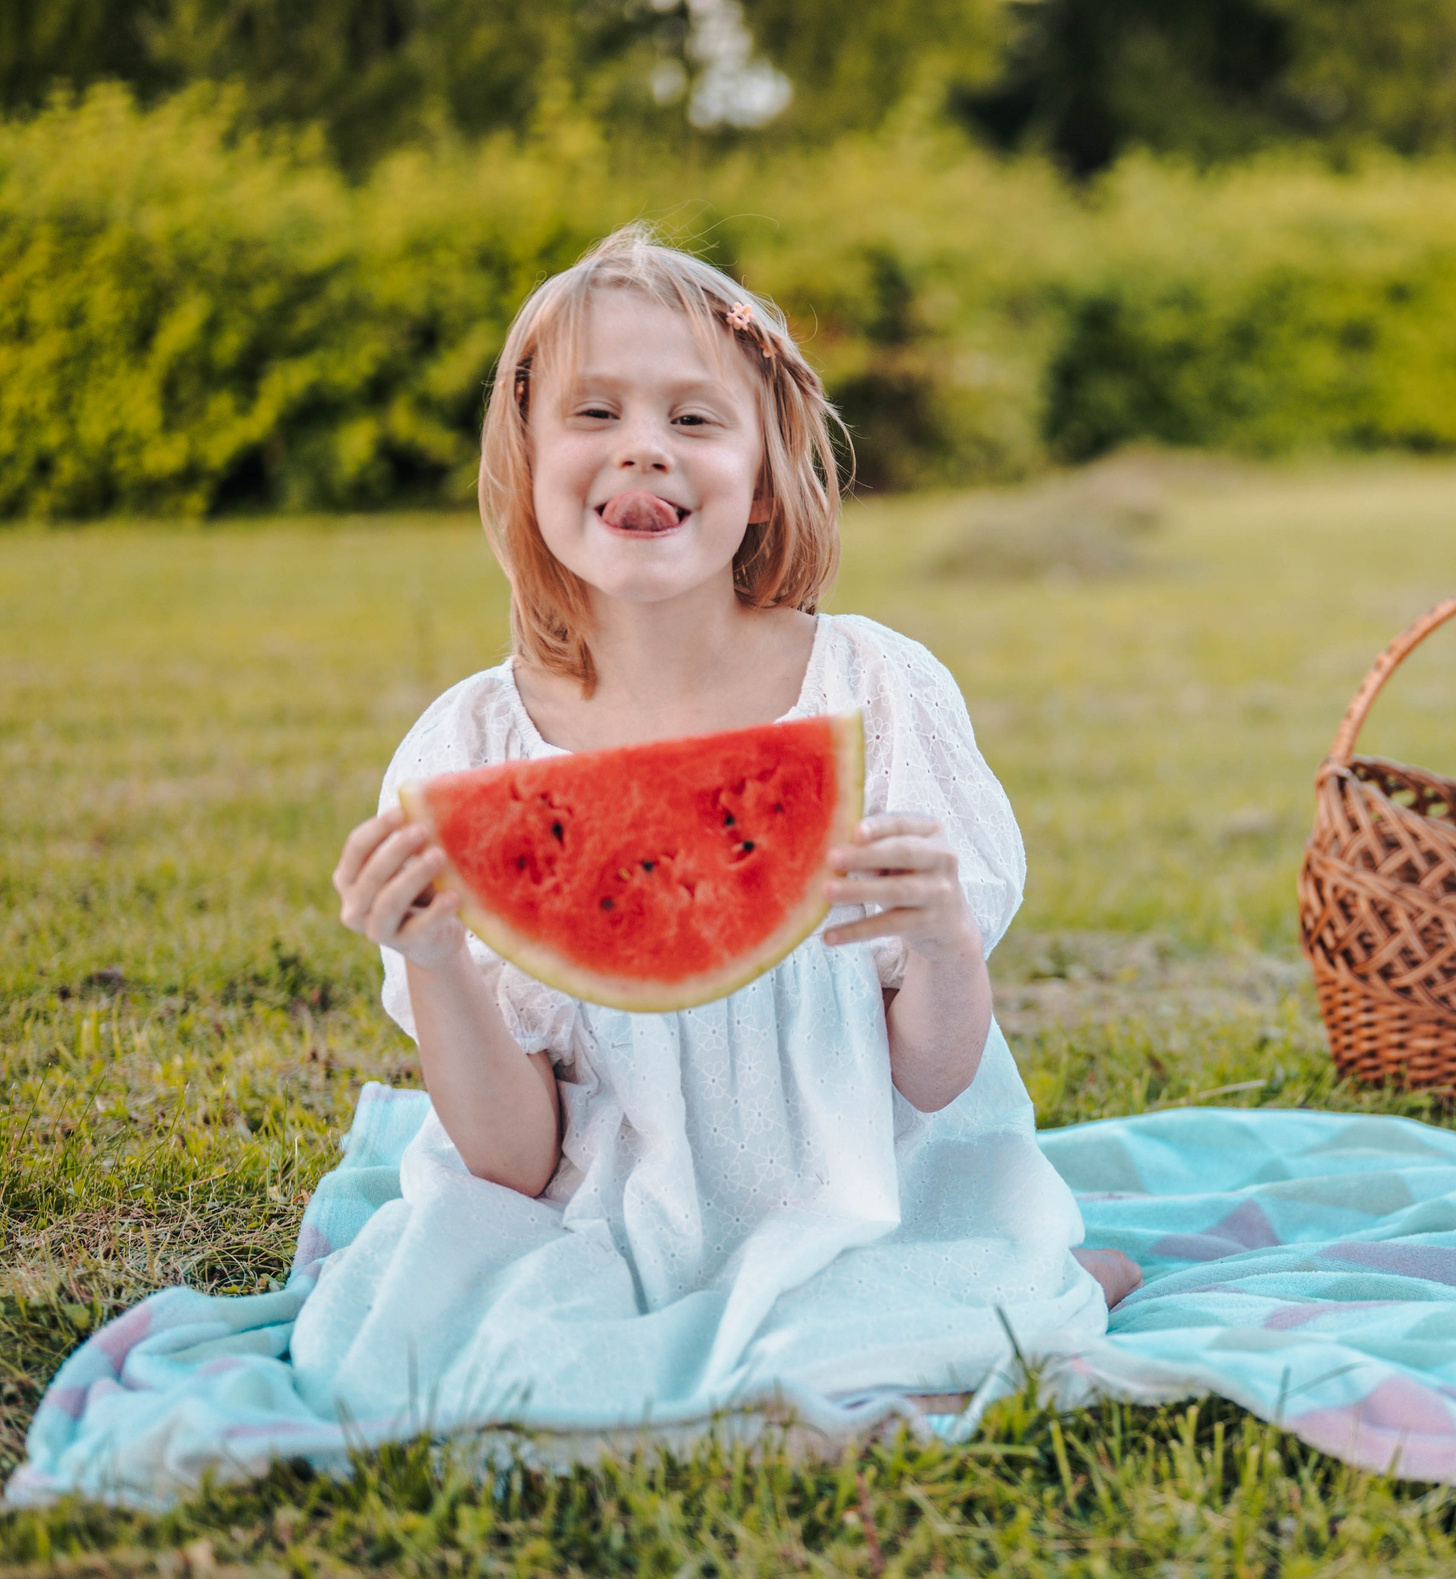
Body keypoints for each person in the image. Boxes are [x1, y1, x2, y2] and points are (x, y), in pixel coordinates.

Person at [314, 225, 1137, 1433]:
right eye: (595, 411)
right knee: (455, 1349)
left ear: (761, 479)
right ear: (527, 462)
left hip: (868, 1187)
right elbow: (516, 1161)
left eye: (694, 418)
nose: (644, 443)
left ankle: (1039, 1269)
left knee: (949, 1314)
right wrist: (436, 959)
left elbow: (931, 1075)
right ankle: (1035, 1284)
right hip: (610, 1205)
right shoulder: (470, 747)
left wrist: (945, 943)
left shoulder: (873, 692)